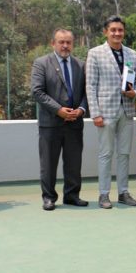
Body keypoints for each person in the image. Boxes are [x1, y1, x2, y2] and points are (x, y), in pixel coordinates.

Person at [85, 15, 136, 209]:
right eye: (113, 30)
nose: (117, 33)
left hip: (127, 110)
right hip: (106, 112)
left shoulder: (131, 54)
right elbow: (91, 85)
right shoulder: (95, 53)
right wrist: (95, 113)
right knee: (105, 154)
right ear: (106, 32)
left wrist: (135, 92)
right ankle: (103, 194)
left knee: (124, 154)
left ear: (123, 32)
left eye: (120, 30)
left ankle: (123, 192)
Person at [31, 28, 89, 211]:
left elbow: (88, 92)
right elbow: (37, 91)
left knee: (74, 163)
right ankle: (49, 197)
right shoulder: (41, 63)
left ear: (73, 44)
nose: (65, 46)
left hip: (75, 123)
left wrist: (81, 109)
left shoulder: (81, 65)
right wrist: (59, 110)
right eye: (61, 42)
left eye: (68, 42)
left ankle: (72, 196)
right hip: (51, 123)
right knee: (48, 163)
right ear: (53, 43)